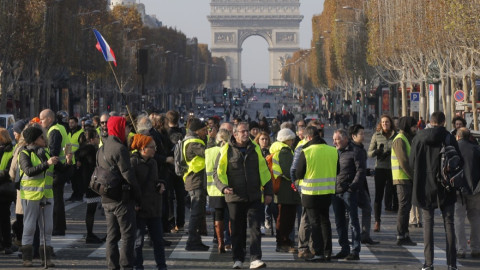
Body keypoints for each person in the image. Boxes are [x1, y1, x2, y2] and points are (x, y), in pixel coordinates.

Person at [214, 122, 273, 269]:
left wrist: (268, 192)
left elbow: (265, 172)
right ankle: (238, 259)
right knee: (237, 230)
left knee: (255, 228)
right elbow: (217, 173)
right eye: (242, 132)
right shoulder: (226, 150)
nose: (246, 134)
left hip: (253, 196)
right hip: (234, 197)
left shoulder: (255, 148)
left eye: (247, 131)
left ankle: (255, 258)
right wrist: (223, 187)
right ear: (235, 134)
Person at [410, 112, 459, 270]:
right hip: (446, 185)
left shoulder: (418, 137)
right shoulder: (448, 137)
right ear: (444, 122)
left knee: (428, 224)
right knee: (449, 223)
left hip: (425, 185)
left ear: (430, 121)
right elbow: (457, 161)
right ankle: (452, 264)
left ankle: (428, 263)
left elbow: (412, 162)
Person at [19, 126, 72, 267]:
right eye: (42, 137)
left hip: (47, 194)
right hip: (31, 195)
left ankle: (46, 258)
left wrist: (68, 161)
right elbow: (29, 171)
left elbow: (61, 169)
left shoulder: (46, 153)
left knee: (47, 227)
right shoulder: (24, 153)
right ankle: (27, 259)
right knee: (29, 227)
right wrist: (46, 164)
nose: (45, 139)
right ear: (35, 140)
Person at [100, 116, 142, 269]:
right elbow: (128, 175)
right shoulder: (119, 148)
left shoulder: (102, 148)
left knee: (111, 236)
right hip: (122, 198)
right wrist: (138, 195)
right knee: (127, 235)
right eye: (125, 127)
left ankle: (112, 266)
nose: (128, 130)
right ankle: (126, 266)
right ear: (119, 128)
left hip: (107, 197)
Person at [295, 126, 338, 262]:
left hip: (310, 193)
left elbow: (298, 173)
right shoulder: (332, 150)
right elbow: (337, 170)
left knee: (314, 223)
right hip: (327, 192)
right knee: (325, 221)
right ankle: (328, 252)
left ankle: (318, 252)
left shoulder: (306, 151)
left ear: (308, 137)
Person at [130, 134, 167, 270]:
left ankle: (162, 266)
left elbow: (155, 180)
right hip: (140, 208)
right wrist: (134, 203)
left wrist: (161, 184)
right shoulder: (133, 162)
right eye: (152, 147)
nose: (155, 150)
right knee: (138, 242)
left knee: (158, 241)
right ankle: (138, 266)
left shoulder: (153, 162)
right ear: (143, 149)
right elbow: (131, 186)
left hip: (154, 207)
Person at [291, 126, 326, 260]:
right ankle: (304, 247)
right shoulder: (302, 148)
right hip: (308, 189)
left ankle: (312, 246)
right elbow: (294, 170)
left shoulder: (320, 147)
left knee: (314, 219)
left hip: (317, 188)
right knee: (307, 218)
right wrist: (297, 186)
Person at [332, 129, 363, 260]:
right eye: (333, 139)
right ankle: (344, 248)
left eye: (337, 139)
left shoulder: (354, 151)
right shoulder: (333, 151)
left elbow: (360, 170)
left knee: (353, 221)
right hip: (335, 191)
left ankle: (355, 250)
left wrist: (352, 187)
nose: (334, 142)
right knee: (339, 222)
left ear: (345, 139)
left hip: (348, 191)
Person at [39, 109, 71, 236]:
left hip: (58, 170)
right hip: (65, 167)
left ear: (50, 119)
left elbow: (53, 153)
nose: (40, 121)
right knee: (58, 199)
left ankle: (58, 227)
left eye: (42, 119)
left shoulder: (54, 131)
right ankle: (60, 226)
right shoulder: (59, 128)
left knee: (56, 199)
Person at [270, 128, 300, 253]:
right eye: (291, 139)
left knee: (283, 217)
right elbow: (289, 172)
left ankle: (283, 242)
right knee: (285, 219)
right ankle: (284, 243)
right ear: (287, 139)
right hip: (286, 190)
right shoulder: (285, 151)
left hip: (282, 189)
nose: (293, 141)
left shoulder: (277, 149)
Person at [348, 124, 379, 245]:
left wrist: (367, 172)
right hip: (355, 185)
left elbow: (359, 168)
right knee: (352, 212)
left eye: (363, 133)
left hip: (360, 184)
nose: (363, 136)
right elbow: (352, 168)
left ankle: (364, 235)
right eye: (361, 133)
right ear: (353, 136)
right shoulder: (353, 149)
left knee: (366, 208)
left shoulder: (360, 148)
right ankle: (356, 236)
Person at [183, 118, 210, 251]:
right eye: (204, 130)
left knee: (198, 212)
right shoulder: (193, 143)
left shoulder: (193, 140)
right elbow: (208, 154)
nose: (206, 132)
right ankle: (192, 241)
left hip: (196, 180)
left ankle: (196, 239)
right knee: (196, 212)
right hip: (195, 180)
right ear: (196, 131)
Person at [367, 114, 397, 232]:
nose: (385, 124)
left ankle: (400, 223)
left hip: (393, 168)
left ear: (391, 123)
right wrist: (377, 152)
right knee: (378, 196)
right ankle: (377, 221)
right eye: (383, 122)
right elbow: (369, 153)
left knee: (397, 195)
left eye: (387, 122)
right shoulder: (376, 135)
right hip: (380, 168)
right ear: (380, 123)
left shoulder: (396, 135)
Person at [391, 117, 417, 246]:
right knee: (403, 207)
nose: (415, 129)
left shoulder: (407, 138)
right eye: (413, 126)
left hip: (406, 178)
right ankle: (401, 235)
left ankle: (404, 234)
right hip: (402, 178)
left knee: (406, 207)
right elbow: (404, 162)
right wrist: (413, 176)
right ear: (407, 126)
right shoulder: (400, 139)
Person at [455, 127, 480, 259]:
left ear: (458, 137)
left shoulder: (453, 148)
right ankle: (476, 248)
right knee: (475, 218)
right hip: (475, 189)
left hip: (458, 190)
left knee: (459, 219)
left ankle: (461, 249)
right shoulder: (476, 148)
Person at [205, 128, 231, 254]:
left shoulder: (209, 152)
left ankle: (220, 241)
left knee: (218, 216)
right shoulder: (230, 150)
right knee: (231, 216)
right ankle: (229, 242)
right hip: (229, 188)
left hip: (214, 190)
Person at [75, 128, 102, 244]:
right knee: (91, 210)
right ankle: (89, 234)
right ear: (91, 139)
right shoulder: (91, 150)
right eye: (97, 137)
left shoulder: (81, 150)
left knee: (90, 210)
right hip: (92, 182)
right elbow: (94, 164)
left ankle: (90, 234)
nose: (98, 139)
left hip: (86, 182)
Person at [165, 110, 186, 233]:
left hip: (169, 167)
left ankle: (171, 223)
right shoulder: (182, 133)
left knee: (169, 198)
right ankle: (181, 223)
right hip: (181, 167)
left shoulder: (165, 133)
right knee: (180, 197)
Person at [0, 128, 15, 254]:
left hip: (4, 189)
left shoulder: (10, 151)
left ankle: (7, 244)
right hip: (4, 188)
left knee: (4, 217)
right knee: (4, 218)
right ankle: (5, 243)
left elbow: (9, 172)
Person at [66, 116, 84, 202]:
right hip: (70, 160)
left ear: (76, 123)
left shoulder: (81, 133)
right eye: (69, 123)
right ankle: (74, 194)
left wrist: (79, 160)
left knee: (78, 179)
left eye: (72, 123)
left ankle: (79, 195)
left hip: (77, 160)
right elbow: (67, 145)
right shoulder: (68, 133)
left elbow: (82, 148)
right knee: (73, 179)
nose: (71, 124)